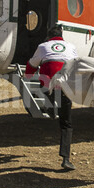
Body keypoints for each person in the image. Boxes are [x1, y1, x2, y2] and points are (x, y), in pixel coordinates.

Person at [26, 25, 78, 171]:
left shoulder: (43, 46)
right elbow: (76, 65)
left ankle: (48, 107)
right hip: (66, 86)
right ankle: (66, 159)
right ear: (62, 36)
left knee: (39, 83)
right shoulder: (71, 46)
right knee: (66, 123)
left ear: (49, 37)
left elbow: (31, 66)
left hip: (48, 85)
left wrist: (28, 77)